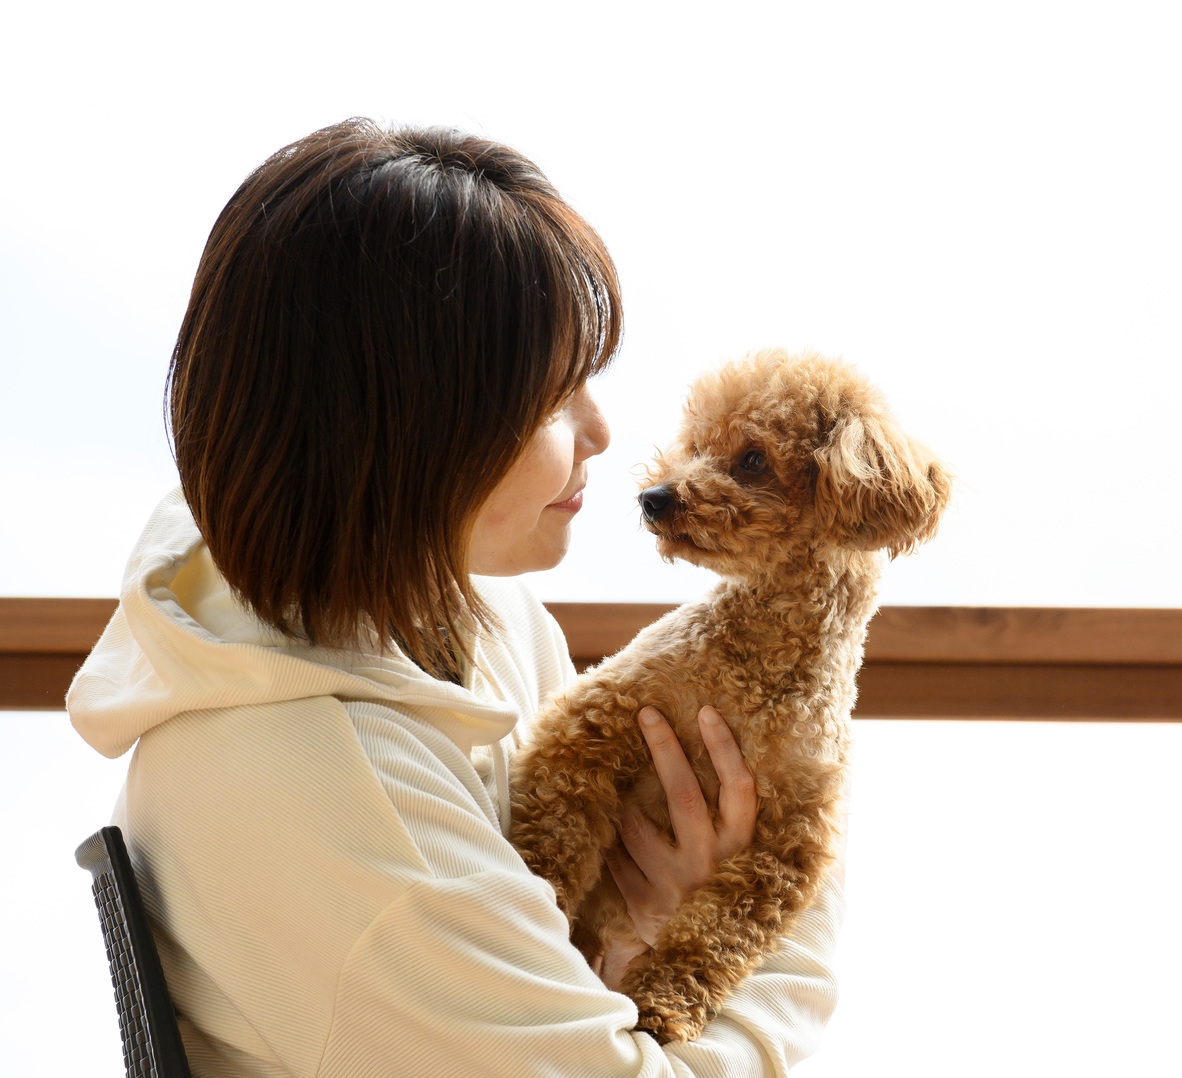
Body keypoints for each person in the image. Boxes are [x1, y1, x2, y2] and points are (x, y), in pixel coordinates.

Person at [66, 119, 841, 1077]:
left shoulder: (468, 618)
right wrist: (794, 894)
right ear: (411, 425)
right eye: (555, 396)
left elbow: (549, 980)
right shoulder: (336, 796)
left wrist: (656, 913)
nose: (600, 432)